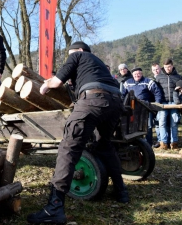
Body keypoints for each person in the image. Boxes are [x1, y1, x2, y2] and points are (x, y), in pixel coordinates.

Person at [27, 41, 128, 225]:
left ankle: (54, 207)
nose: (68, 58)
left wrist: (45, 85)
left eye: (70, 54)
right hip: (115, 103)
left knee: (68, 149)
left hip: (93, 99)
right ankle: (121, 191)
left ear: (79, 51)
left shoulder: (78, 56)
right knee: (105, 145)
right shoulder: (97, 65)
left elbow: (56, 81)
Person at [123, 67, 163, 146]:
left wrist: (157, 103)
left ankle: (148, 143)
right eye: (135, 74)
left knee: (148, 126)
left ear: (142, 74)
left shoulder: (148, 82)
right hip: (132, 107)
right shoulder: (127, 82)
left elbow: (157, 92)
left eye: (139, 74)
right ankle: (135, 143)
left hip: (146, 107)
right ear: (132, 75)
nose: (137, 75)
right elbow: (122, 94)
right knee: (133, 125)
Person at [155, 59, 182, 150]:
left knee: (174, 122)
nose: (167, 69)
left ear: (172, 66)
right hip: (163, 102)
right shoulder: (158, 77)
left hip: (174, 102)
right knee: (162, 122)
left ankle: (174, 143)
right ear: (163, 67)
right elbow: (155, 90)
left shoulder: (178, 77)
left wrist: (181, 94)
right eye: (165, 67)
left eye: (169, 67)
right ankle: (164, 143)